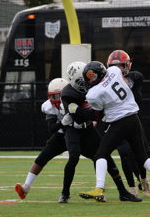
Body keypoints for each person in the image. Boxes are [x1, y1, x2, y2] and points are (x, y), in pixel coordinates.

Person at [77, 61, 150, 203]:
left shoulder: (94, 93)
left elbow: (98, 112)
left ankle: (99, 189)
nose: (90, 80)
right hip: (134, 118)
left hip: (119, 122)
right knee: (142, 156)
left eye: (91, 77)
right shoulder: (114, 71)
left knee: (100, 154)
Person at [60, 60, 142, 204]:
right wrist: (95, 114)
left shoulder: (95, 86)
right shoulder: (68, 94)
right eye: (81, 81)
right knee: (73, 157)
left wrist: (95, 113)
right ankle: (64, 193)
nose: (86, 82)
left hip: (88, 127)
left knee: (104, 156)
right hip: (72, 128)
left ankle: (123, 192)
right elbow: (78, 116)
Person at [106, 49, 150, 196]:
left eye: (121, 65)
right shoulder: (107, 81)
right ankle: (133, 186)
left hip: (134, 121)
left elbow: (136, 79)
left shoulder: (134, 77)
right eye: (114, 66)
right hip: (117, 121)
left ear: (127, 65)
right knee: (124, 153)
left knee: (143, 153)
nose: (118, 69)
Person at [14, 77, 68, 200]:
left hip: (78, 133)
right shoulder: (49, 106)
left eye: (60, 95)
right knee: (41, 158)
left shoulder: (76, 99)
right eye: (54, 96)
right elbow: (52, 128)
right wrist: (63, 123)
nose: (57, 99)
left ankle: (100, 187)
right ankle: (26, 187)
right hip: (61, 135)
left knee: (98, 156)